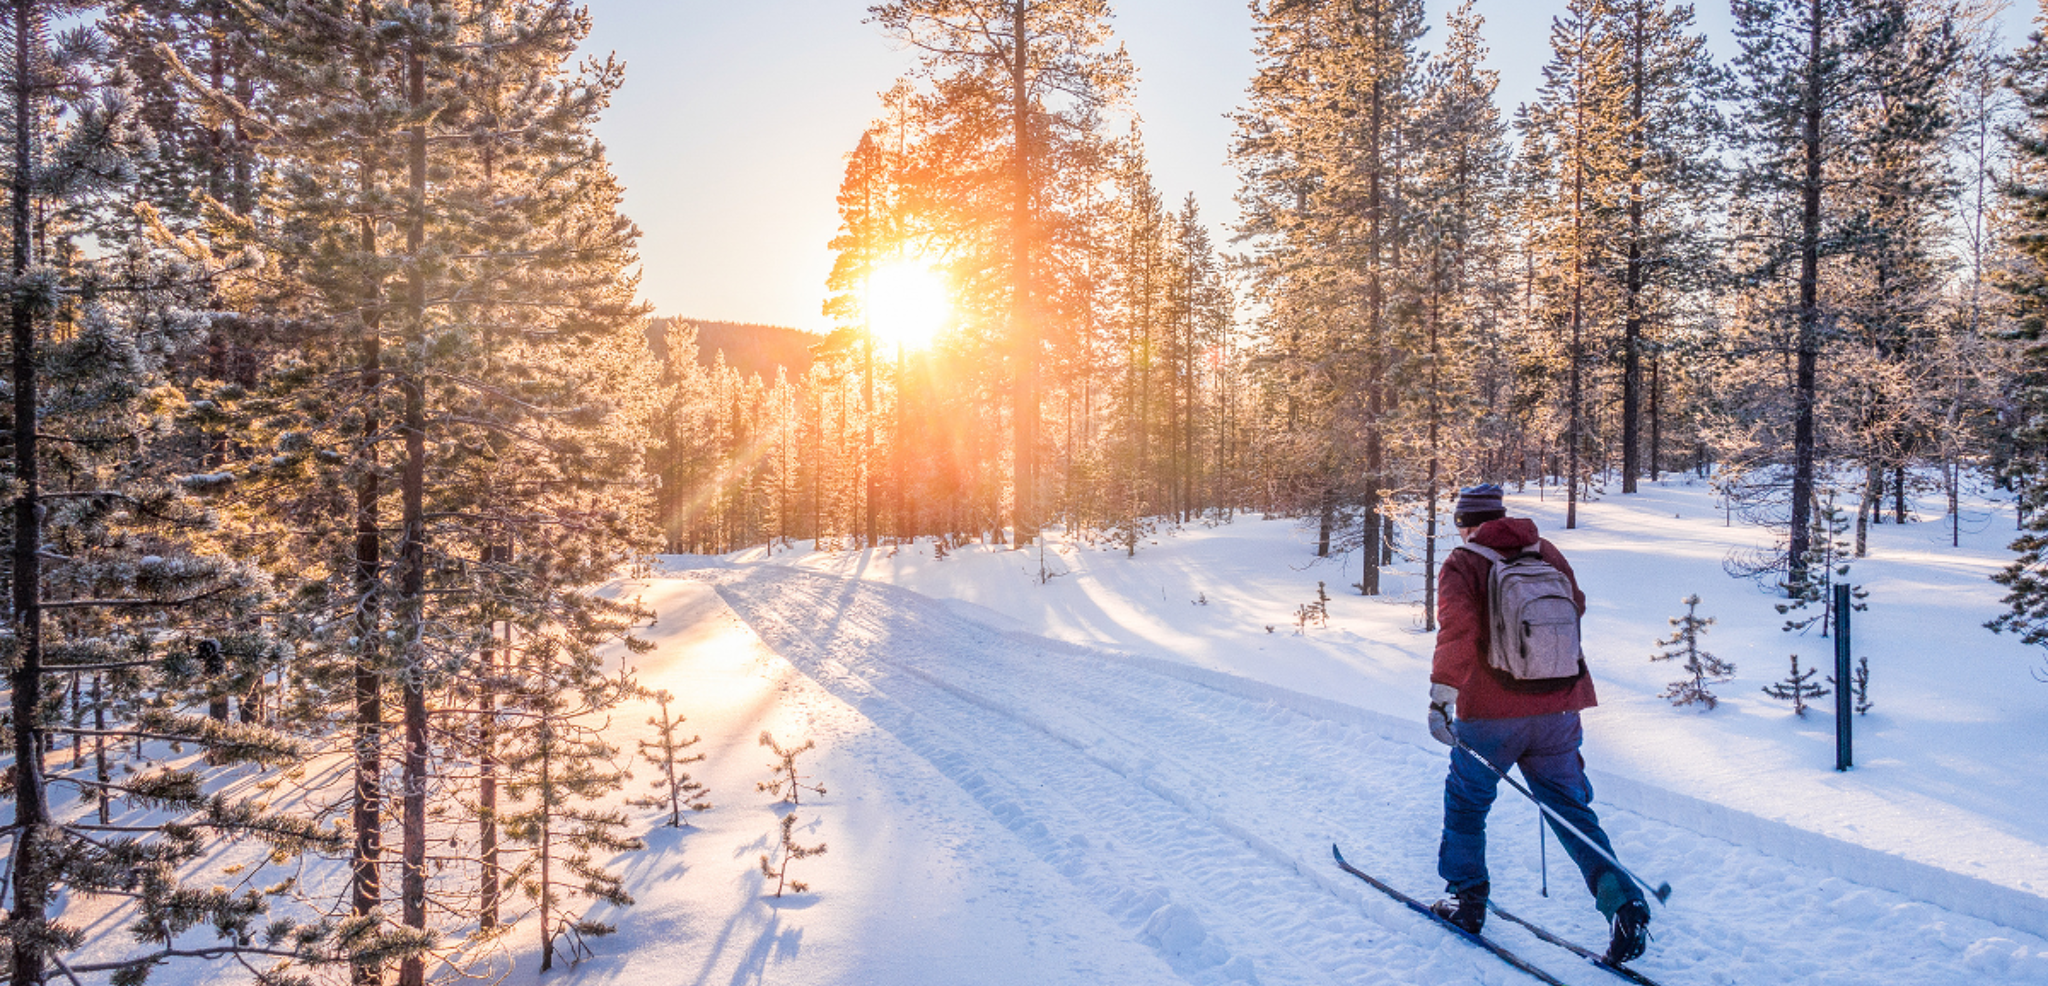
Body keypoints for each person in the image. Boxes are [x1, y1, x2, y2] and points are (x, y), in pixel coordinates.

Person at [1425, 483, 1651, 964]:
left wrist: (1443, 694)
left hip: (1490, 715)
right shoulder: (1545, 551)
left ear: (1466, 523)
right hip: (1558, 708)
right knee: (1571, 811)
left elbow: (1457, 631)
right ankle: (1623, 902)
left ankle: (1467, 902)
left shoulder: (1464, 562)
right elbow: (1577, 607)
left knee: (1467, 805)